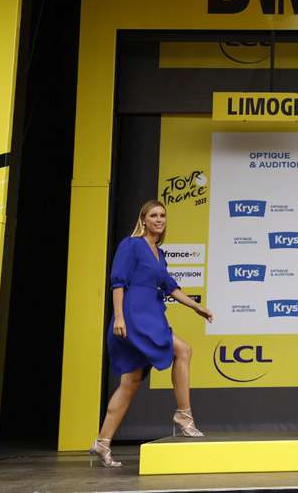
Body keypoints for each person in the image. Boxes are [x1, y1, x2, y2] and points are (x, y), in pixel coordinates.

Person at [90, 200, 214, 468]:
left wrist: (197, 307)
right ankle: (184, 416)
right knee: (184, 349)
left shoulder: (159, 253)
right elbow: (118, 281)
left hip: (151, 314)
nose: (159, 219)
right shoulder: (131, 244)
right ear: (143, 220)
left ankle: (102, 442)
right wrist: (120, 316)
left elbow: (170, 287)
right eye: (153, 215)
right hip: (135, 315)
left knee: (131, 382)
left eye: (163, 215)